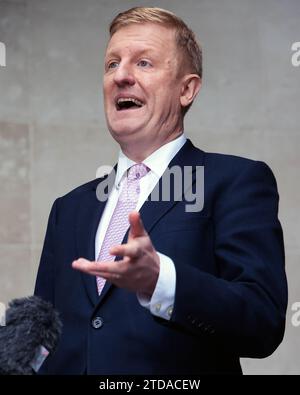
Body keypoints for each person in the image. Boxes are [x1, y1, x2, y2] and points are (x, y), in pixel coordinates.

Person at [34, 7, 288, 374]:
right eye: (111, 64)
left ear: (187, 89)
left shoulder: (236, 181)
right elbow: (43, 335)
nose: (121, 76)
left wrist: (160, 280)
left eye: (144, 63)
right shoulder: (68, 208)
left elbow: (262, 322)